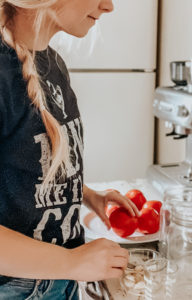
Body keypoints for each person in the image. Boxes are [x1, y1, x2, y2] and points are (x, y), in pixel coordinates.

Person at [0, 0, 140, 299]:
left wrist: (86, 194)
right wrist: (71, 261)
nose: (109, 6)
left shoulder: (52, 63)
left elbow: (26, 164)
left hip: (62, 282)